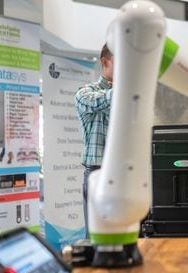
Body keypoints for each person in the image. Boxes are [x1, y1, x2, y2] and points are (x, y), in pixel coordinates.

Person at [75, 44, 114, 237]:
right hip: (97, 174)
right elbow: (98, 100)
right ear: (105, 62)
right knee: (97, 237)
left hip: (123, 174)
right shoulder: (85, 93)